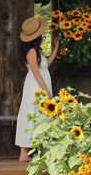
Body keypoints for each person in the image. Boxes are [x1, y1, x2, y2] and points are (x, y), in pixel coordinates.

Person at [15, 17, 60, 162]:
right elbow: (36, 72)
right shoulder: (31, 52)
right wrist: (46, 90)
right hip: (35, 85)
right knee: (33, 112)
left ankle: (38, 148)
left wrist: (56, 48)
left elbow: (47, 64)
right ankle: (24, 152)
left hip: (39, 83)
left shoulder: (37, 50)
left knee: (40, 114)